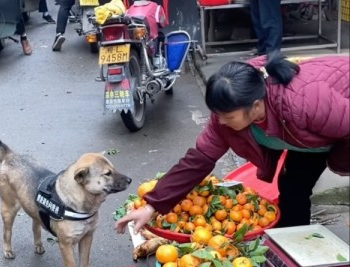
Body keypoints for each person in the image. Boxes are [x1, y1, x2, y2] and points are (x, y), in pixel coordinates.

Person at [115, 53, 349, 234]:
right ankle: (293, 249)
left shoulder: (304, 101)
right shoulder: (227, 114)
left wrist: (337, 161)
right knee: (292, 188)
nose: (222, 122)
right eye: (219, 115)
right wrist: (151, 206)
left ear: (256, 106)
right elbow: (199, 160)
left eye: (229, 117)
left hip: (338, 120)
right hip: (310, 137)